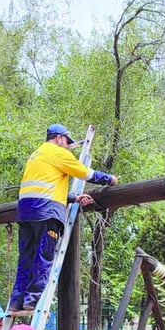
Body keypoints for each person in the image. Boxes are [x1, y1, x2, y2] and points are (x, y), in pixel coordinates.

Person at [10, 123, 118, 314]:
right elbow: (86, 173)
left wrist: (72, 198)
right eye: (67, 141)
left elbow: (45, 186)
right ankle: (32, 301)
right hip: (47, 212)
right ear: (59, 138)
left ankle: (16, 301)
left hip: (26, 213)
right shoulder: (59, 153)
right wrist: (109, 179)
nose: (68, 145)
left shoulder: (36, 155)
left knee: (26, 258)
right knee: (44, 256)